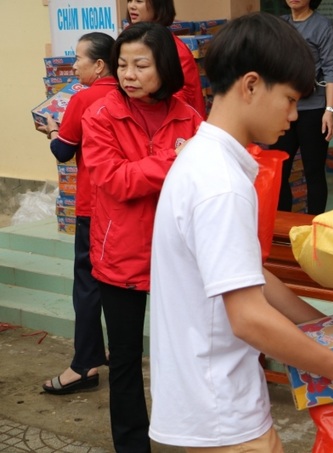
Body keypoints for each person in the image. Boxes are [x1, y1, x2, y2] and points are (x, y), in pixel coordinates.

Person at [148, 12, 333, 451]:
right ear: (250, 85)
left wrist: (328, 328)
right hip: (224, 417)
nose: (293, 114)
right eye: (289, 98)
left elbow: (250, 277)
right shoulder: (221, 185)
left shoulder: (203, 160)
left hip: (200, 403)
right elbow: (248, 317)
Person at [81, 22, 203, 452]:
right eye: (122, 65)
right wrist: (175, 158)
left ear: (164, 66)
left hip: (178, 257)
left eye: (140, 65)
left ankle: (195, 438)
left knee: (188, 358)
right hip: (121, 257)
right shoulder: (100, 115)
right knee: (126, 362)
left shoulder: (192, 118)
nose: (128, 74)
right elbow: (115, 181)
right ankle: (133, 446)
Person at [39, 32, 117, 395]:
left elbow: (63, 151)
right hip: (127, 207)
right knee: (121, 286)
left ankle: (83, 365)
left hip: (93, 205)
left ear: (99, 64)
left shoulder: (85, 99)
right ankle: (119, 353)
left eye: (79, 58)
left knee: (87, 286)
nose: (74, 64)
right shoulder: (133, 96)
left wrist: (53, 128)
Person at [272, 0, 333, 214]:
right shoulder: (280, 25)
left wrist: (329, 111)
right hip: (284, 109)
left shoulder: (323, 26)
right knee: (278, 169)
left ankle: (314, 226)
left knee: (313, 171)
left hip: (314, 110)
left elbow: (332, 70)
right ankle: (282, 224)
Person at [127, 0, 206, 117]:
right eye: (129, 1)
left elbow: (184, 96)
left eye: (139, 1)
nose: (131, 6)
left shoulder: (176, 50)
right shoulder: (126, 39)